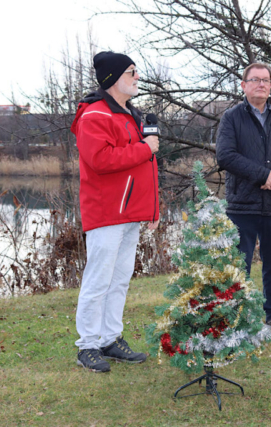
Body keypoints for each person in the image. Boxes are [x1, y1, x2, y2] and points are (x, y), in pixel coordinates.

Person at [70, 51, 160, 373]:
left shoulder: (130, 114)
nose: (137, 77)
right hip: (107, 212)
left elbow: (146, 168)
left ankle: (109, 339)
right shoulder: (95, 115)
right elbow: (100, 160)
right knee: (98, 280)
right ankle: (87, 346)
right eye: (131, 72)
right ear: (112, 78)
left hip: (131, 212)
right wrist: (144, 148)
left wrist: (153, 209)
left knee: (119, 280)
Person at [216, 63, 271, 331]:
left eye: (266, 80)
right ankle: (235, 318)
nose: (262, 84)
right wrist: (263, 175)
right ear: (243, 85)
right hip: (242, 205)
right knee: (238, 265)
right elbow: (225, 156)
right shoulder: (231, 118)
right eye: (255, 80)